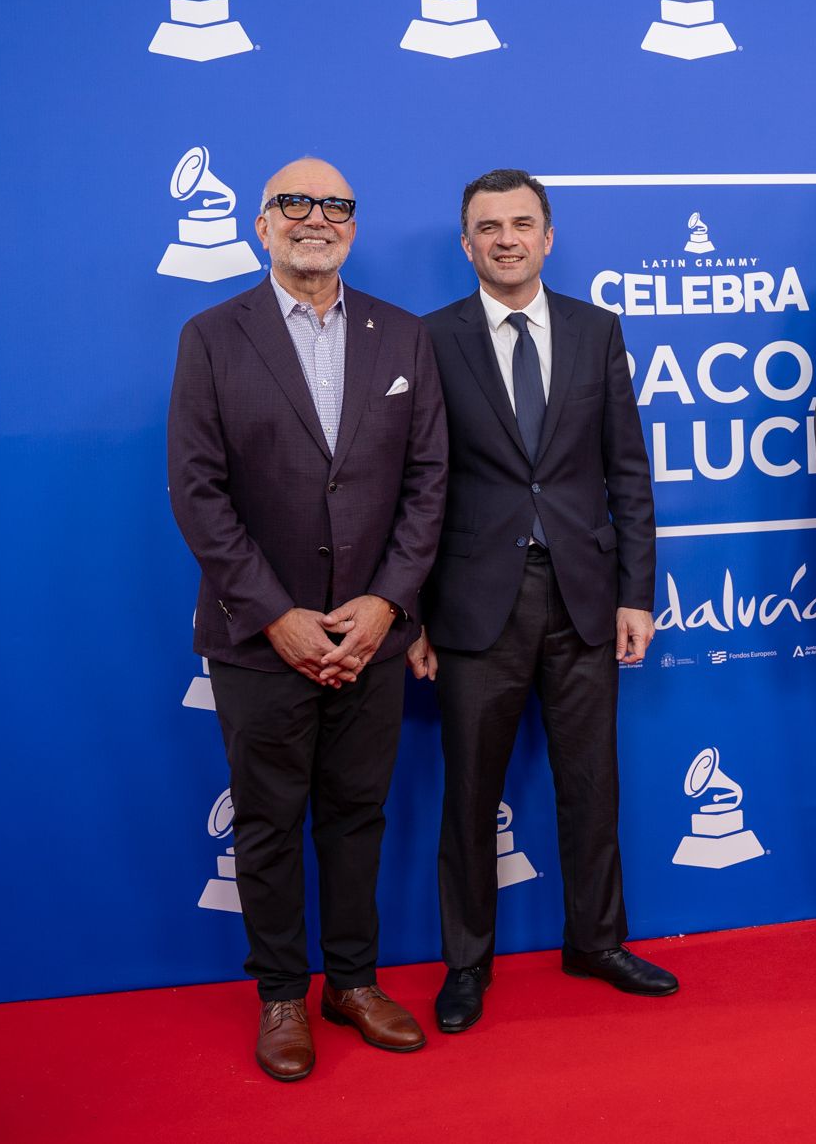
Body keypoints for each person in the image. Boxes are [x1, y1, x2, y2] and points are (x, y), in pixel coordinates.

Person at [167, 157, 448, 1080]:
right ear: (262, 224)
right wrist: (276, 616)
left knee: (357, 815)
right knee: (268, 822)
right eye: (295, 203)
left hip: (373, 635)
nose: (314, 218)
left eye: (334, 206)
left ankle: (354, 982)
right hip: (259, 639)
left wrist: (385, 605)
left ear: (354, 228)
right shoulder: (211, 336)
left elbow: (427, 486)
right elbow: (198, 493)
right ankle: (283, 993)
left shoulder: (402, 338)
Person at [409, 169, 674, 1035]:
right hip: (472, 602)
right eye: (488, 227)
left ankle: (596, 941)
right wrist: (410, 612)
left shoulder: (597, 330)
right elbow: (412, 485)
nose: (507, 239)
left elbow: (627, 469)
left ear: (548, 235)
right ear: (466, 244)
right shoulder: (430, 339)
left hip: (584, 595)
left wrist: (636, 591)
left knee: (592, 785)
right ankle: (466, 963)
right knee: (469, 794)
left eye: (522, 223)